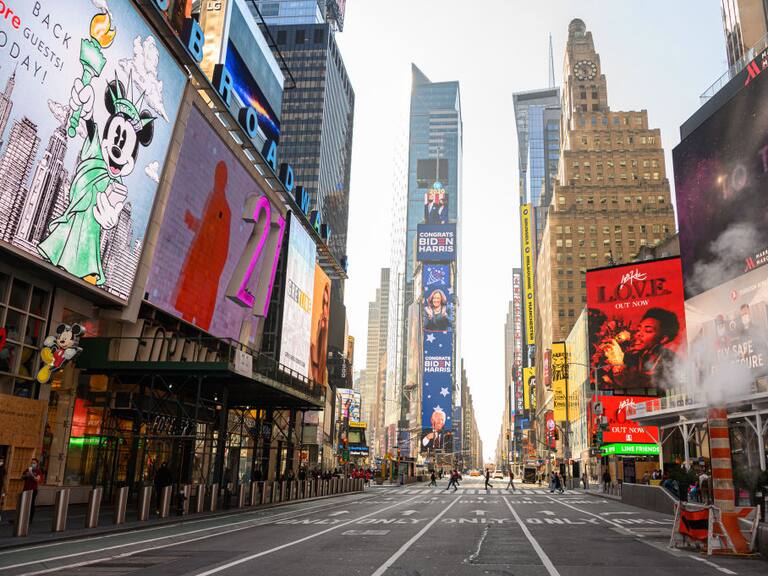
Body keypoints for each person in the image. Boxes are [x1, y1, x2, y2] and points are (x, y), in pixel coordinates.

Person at [600, 308, 681, 390]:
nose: (638, 334)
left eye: (648, 331)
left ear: (664, 339)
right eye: (638, 329)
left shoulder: (672, 361)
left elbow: (648, 387)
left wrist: (618, 365)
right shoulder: (633, 356)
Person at [21, 458, 43, 522]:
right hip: (26, 489)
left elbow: (37, 480)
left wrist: (32, 475)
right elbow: (22, 478)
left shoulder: (38, 471)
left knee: (31, 504)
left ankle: (30, 519)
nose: (32, 464)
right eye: (32, 463)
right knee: (24, 503)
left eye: (34, 463)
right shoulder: (27, 470)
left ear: (37, 464)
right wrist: (26, 475)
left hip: (33, 490)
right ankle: (22, 517)